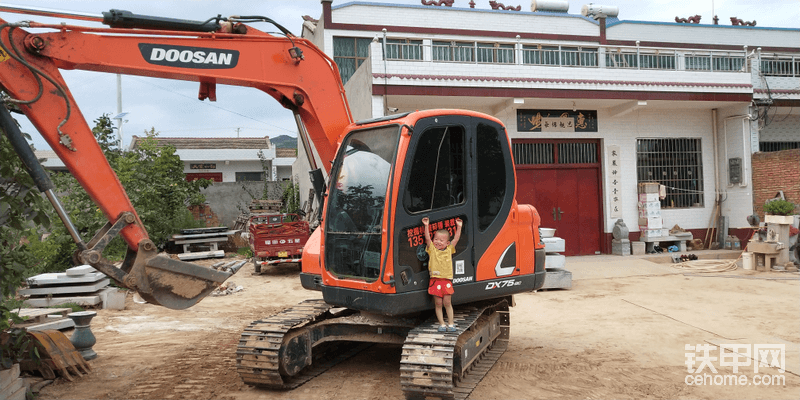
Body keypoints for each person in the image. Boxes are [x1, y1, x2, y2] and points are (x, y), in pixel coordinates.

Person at [422, 216, 462, 333]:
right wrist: (426, 226)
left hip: (446, 281)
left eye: (441, 240)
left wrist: (459, 227)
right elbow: (427, 239)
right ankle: (442, 324)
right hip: (435, 281)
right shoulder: (432, 249)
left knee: (447, 303)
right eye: (436, 239)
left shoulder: (450, 249)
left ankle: (451, 323)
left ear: (447, 243)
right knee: (438, 303)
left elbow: (456, 239)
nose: (438, 242)